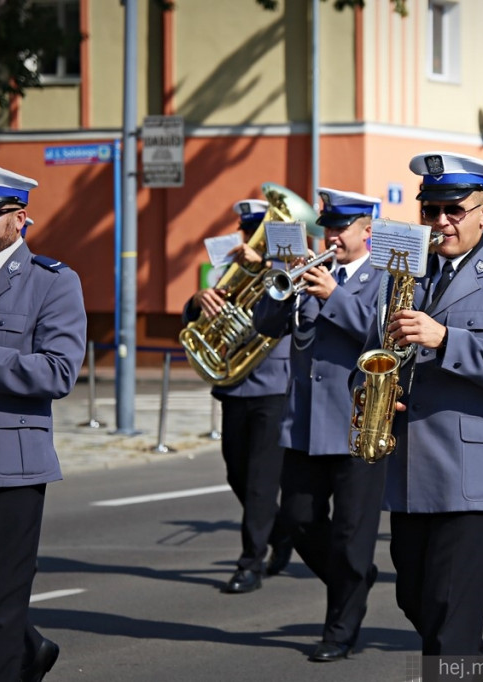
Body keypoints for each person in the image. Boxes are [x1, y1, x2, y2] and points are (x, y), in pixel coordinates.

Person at [357, 151, 483, 663]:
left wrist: (447, 341)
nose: (440, 221)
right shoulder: (404, 276)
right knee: (416, 600)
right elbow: (380, 353)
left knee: (448, 627)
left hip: (472, 475)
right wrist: (376, 392)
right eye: (431, 210)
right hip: (410, 469)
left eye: (454, 210)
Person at [252, 188, 385, 663]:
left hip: (357, 424)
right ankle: (354, 579)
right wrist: (278, 279)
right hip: (306, 424)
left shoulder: (385, 276)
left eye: (341, 227)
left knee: (352, 536)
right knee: (298, 522)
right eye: (327, 226)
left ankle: (339, 630)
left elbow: (386, 336)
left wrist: (336, 296)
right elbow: (266, 327)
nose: (331, 235)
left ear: (366, 231)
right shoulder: (309, 273)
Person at [0, 165, 85, 681]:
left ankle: (16, 654)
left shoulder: (53, 282)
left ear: (19, 218)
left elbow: (59, 371)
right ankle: (33, 648)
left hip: (10, 467)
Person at [182, 199, 292, 595]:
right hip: (235, 383)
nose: (250, 240)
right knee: (236, 473)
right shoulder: (230, 271)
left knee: (262, 480)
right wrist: (197, 303)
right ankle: (281, 532)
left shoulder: (285, 269)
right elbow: (216, 318)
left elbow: (284, 308)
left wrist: (264, 267)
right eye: (247, 232)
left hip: (273, 386)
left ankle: (250, 563)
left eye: (257, 232)